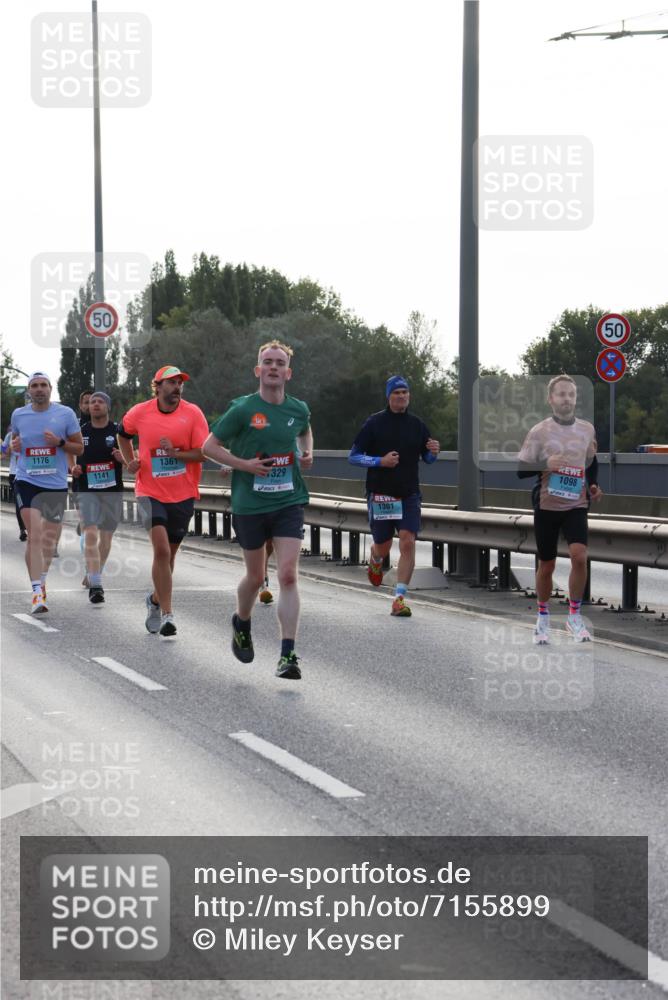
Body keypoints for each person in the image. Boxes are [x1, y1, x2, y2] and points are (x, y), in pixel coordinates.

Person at [203, 340, 313, 680]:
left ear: (288, 372)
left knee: (288, 575)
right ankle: (241, 621)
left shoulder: (298, 409)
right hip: (250, 504)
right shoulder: (242, 410)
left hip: (288, 501)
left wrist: (306, 452)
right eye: (268, 362)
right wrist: (243, 465)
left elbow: (305, 430)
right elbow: (209, 446)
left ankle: (287, 654)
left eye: (280, 363)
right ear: (258, 370)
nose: (274, 367)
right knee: (254, 577)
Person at [116, 365, 211, 638]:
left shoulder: (192, 414)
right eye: (170, 383)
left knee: (169, 557)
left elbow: (202, 454)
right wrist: (129, 459)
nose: (177, 387)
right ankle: (168, 613)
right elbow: (123, 433)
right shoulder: (140, 412)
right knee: (161, 551)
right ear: (157, 387)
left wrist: (176, 454)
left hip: (182, 493)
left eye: (180, 382)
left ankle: (155, 600)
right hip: (149, 490)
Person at [517, 374, 602, 644]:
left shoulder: (587, 429)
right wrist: (545, 462)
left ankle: (574, 616)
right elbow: (520, 470)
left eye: (571, 395)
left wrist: (594, 485)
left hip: (576, 503)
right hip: (547, 504)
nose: (567, 399)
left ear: (576, 399)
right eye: (561, 394)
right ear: (551, 399)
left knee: (579, 556)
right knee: (547, 564)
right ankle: (542, 617)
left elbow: (591, 462)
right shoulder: (539, 431)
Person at [348, 375, 439, 617]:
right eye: (396, 393)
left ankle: (400, 598)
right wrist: (380, 461)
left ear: (409, 396)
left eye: (405, 393)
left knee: (408, 540)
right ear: (389, 397)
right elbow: (354, 456)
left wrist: (433, 452)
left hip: (409, 493)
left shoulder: (417, 425)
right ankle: (376, 559)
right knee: (384, 545)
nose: (401, 396)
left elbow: (428, 457)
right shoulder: (374, 423)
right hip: (381, 494)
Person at [9, 372, 83, 613]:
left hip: (55, 484)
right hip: (27, 480)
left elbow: (79, 447)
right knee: (35, 535)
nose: (39, 389)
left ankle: (41, 581)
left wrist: (60, 444)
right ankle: (36, 592)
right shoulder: (19, 415)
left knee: (49, 542)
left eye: (43, 385)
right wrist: (14, 446)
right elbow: (14, 444)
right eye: (34, 386)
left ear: (51, 389)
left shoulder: (65, 414)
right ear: (29, 391)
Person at [71, 390, 125, 605]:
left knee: (106, 537)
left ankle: (95, 571)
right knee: (91, 533)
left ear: (108, 407)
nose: (95, 404)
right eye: (92, 401)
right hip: (87, 489)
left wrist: (124, 459)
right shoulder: (79, 431)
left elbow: (134, 459)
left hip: (112, 491)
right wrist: (71, 467)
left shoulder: (119, 431)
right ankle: (96, 584)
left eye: (100, 401)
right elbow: (68, 450)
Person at [2, 426, 28, 540]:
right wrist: (9, 447)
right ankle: (22, 529)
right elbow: (4, 452)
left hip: (31, 474)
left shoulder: (33, 432)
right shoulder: (10, 435)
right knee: (19, 503)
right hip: (15, 473)